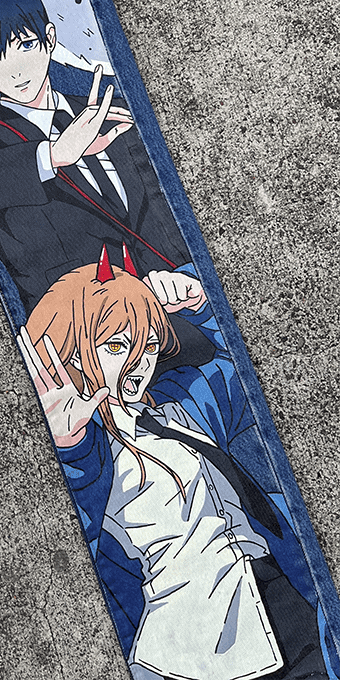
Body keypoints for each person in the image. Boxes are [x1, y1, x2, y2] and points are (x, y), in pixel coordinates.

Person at [18, 257, 331, 680]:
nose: (139, 364)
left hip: (284, 601)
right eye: (117, 347)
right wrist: (70, 448)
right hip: (197, 648)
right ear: (67, 352)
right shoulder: (88, 455)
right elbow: (77, 531)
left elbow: (243, 372)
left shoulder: (179, 404)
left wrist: (199, 302)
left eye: (148, 346)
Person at [0, 0, 192, 316]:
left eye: (26, 45)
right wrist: (54, 155)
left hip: (176, 297)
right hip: (78, 325)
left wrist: (186, 275)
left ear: (50, 38)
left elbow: (156, 205)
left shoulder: (109, 113)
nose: (16, 70)